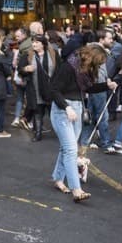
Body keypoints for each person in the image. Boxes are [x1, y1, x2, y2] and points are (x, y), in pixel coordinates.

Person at [48, 46, 96, 202]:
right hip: (64, 110)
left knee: (67, 148)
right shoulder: (68, 67)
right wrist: (67, 107)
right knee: (70, 149)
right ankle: (76, 189)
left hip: (75, 108)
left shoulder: (80, 68)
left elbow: (89, 88)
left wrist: (108, 85)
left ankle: (58, 179)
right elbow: (54, 90)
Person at [79, 30, 118, 154]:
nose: (112, 40)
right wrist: (107, 83)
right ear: (101, 39)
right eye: (109, 38)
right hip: (97, 87)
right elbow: (99, 72)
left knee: (90, 115)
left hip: (96, 86)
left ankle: (86, 141)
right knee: (101, 115)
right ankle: (105, 142)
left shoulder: (92, 50)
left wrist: (107, 80)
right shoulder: (97, 52)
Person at [19, 35, 58, 142]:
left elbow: (59, 69)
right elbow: (20, 69)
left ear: (43, 44)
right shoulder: (27, 55)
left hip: (51, 87)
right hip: (34, 87)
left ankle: (60, 132)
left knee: (54, 111)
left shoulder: (53, 53)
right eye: (33, 42)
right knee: (37, 110)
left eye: (37, 42)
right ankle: (38, 133)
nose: (34, 44)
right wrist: (26, 69)